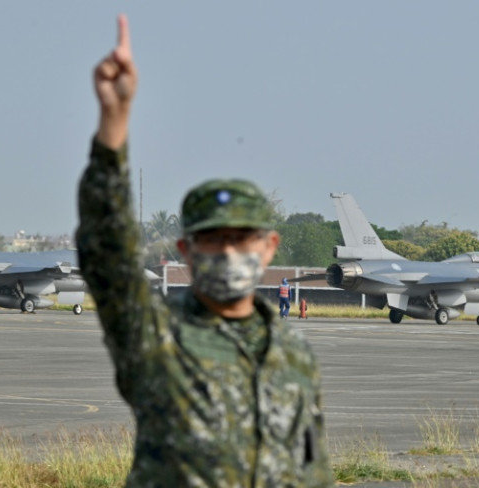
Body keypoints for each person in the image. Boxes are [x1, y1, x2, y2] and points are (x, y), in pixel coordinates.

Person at [75, 15, 333, 487]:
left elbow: (312, 469)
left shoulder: (292, 354)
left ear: (269, 247)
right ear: (186, 251)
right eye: (213, 240)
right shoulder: (155, 336)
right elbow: (106, 254)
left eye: (241, 238)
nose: (229, 251)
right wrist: (115, 118)